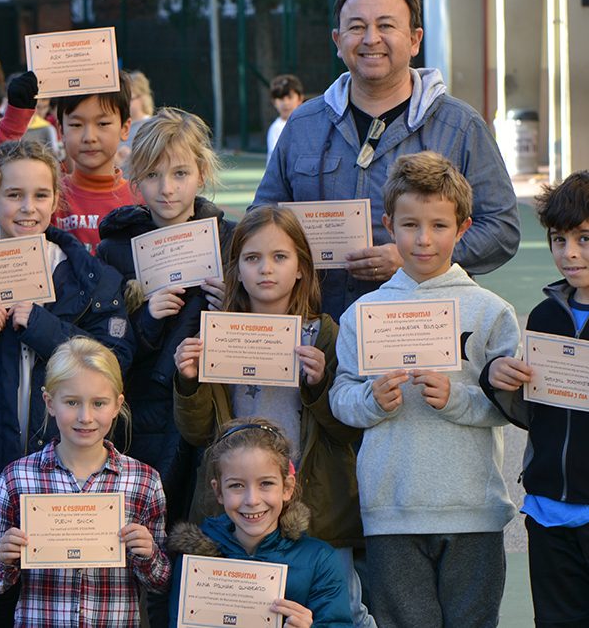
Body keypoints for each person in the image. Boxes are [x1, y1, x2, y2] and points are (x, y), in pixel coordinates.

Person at [252, 0, 520, 322]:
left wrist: (414, 256)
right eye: (356, 27)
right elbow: (262, 217)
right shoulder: (303, 124)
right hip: (317, 329)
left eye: (386, 25)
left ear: (414, 39)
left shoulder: (460, 126)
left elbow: (501, 228)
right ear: (338, 40)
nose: (371, 38)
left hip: (421, 329)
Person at [330, 151, 519, 627]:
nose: (424, 239)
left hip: (472, 508)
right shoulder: (363, 313)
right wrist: (371, 402)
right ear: (389, 225)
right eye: (410, 225)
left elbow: (511, 406)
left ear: (463, 227)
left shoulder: (491, 311)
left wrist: (457, 399)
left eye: (439, 225)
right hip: (391, 509)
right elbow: (341, 396)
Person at [173, 205, 373, 627]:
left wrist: (319, 385)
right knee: (241, 613)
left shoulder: (326, 333)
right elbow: (198, 433)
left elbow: (347, 429)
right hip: (242, 508)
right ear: (236, 269)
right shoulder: (217, 333)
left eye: (280, 257)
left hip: (317, 505)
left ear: (301, 268)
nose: (266, 269)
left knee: (341, 611)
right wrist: (189, 382)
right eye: (252, 258)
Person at [0, 140, 134, 625]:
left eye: (40, 195)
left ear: (56, 199)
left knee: (54, 599)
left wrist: (42, 326)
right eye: (13, 195)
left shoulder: (93, 278)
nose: (27, 208)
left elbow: (115, 360)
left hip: (61, 474)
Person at [0, 336, 170, 626]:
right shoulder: (16, 478)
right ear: (49, 402)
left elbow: (160, 582)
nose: (85, 417)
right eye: (72, 402)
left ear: (117, 405)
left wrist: (148, 554)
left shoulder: (144, 481)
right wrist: (4, 558)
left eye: (99, 403)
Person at [97, 106, 235, 486]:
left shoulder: (231, 241)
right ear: (136, 179)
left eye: (180, 174)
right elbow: (103, 342)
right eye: (153, 175)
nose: (167, 188)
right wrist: (146, 318)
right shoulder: (114, 250)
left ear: (201, 174)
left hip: (213, 402)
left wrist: (234, 306)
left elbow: (260, 332)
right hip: (143, 410)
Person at [480, 171, 589, 627]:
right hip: (548, 512)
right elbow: (536, 412)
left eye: (584, 239)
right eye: (559, 239)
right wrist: (498, 379)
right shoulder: (545, 316)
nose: (570, 253)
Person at [167, 417, 352, 628]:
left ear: (287, 488)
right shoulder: (194, 560)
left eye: (266, 483)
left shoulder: (320, 560)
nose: (252, 500)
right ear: (218, 491)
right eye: (236, 485)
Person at [52, 70, 137, 254]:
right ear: (61, 131)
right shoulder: (48, 199)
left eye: (103, 124)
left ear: (124, 128)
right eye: (76, 125)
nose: (89, 137)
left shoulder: (142, 200)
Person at [117, 70, 155, 177]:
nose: (124, 104)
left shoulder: (152, 126)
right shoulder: (117, 126)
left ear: (142, 98)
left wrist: (131, 158)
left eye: (129, 99)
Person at [266, 74, 303, 163]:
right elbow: (279, 160)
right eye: (281, 98)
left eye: (290, 97)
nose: (286, 103)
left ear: (300, 99)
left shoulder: (307, 124)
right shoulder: (276, 128)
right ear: (274, 102)